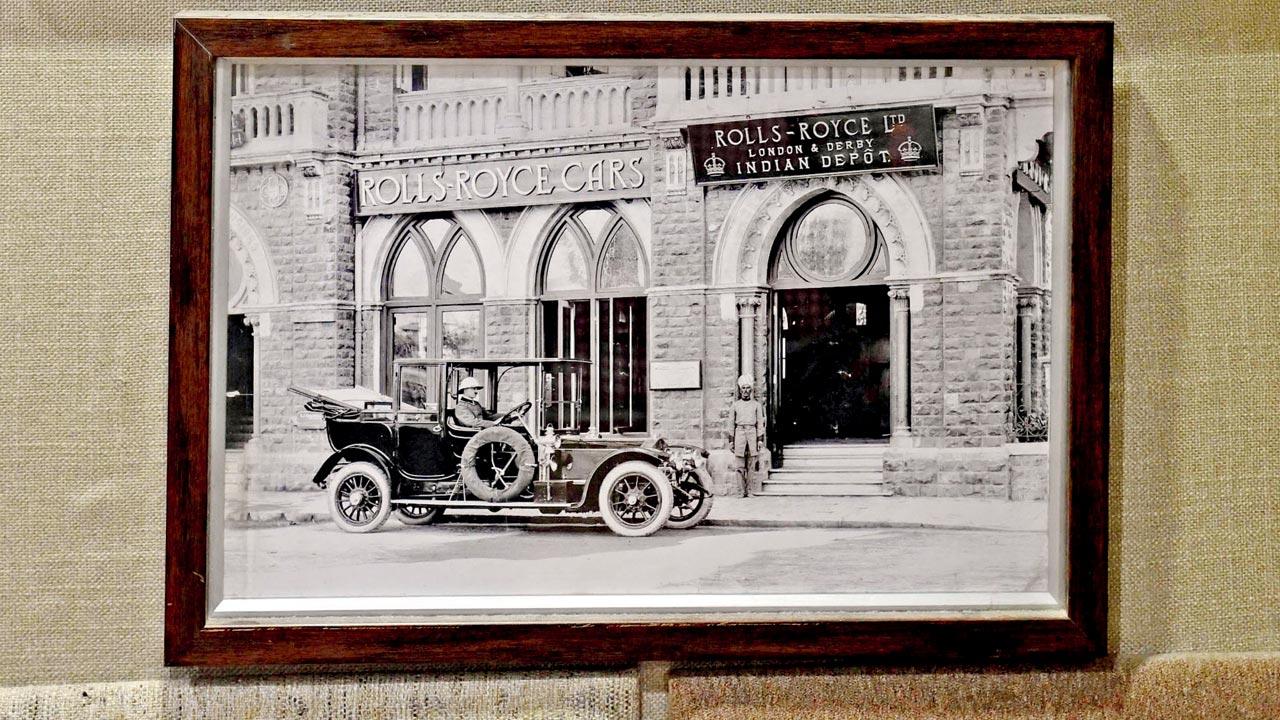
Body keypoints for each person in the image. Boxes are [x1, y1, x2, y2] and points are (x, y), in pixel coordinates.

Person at [729, 374, 766, 494]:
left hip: (752, 434)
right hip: (739, 433)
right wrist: (731, 440)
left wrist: (760, 439)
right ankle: (740, 491)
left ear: (751, 390)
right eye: (743, 388)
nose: (745, 391)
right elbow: (730, 424)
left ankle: (750, 490)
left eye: (747, 388)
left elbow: (760, 422)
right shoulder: (735, 405)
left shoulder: (756, 405)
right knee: (740, 465)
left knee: (751, 464)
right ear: (740, 390)